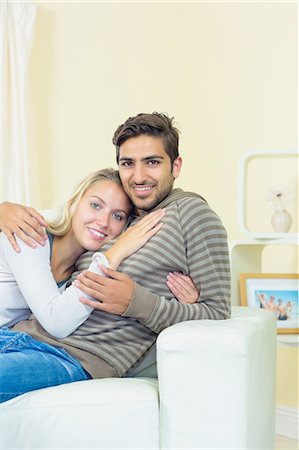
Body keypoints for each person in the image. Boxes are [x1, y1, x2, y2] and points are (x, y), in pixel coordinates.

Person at [0, 112, 230, 401]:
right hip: (18, 335)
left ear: (176, 165)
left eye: (153, 162)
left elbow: (218, 315)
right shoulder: (119, 220)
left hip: (74, 357)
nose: (139, 176)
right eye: (127, 164)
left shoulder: (193, 215)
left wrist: (138, 302)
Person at [0, 168, 167, 332]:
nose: (103, 222)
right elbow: (57, 323)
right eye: (95, 205)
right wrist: (118, 250)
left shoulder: (82, 267)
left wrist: (187, 302)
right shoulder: (30, 233)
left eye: (117, 216)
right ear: (74, 203)